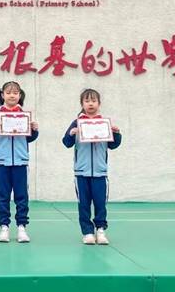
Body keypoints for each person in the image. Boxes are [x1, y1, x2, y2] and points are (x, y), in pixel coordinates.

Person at [62, 89, 121, 245]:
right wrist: (71, 133)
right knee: (84, 204)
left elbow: (113, 145)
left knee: (101, 203)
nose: (90, 104)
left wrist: (116, 133)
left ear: (99, 104)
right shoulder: (76, 122)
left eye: (94, 101)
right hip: (81, 172)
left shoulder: (104, 123)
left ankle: (100, 230)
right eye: (87, 101)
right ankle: (87, 232)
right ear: (82, 104)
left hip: (100, 172)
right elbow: (66, 142)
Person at [0, 81, 38, 243]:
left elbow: (29, 138)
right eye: (9, 92)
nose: (12, 95)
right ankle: (4, 227)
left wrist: (34, 130)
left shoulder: (24, 115)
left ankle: (22, 227)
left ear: (20, 95)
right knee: (3, 196)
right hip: (2, 162)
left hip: (20, 162)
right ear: (2, 95)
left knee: (21, 196)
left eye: (15, 93)